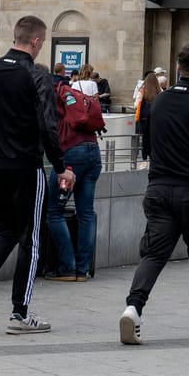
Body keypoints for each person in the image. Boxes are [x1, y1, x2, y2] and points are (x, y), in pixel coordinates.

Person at [117, 42, 189, 345]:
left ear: (178, 69)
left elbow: (152, 143)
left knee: (154, 253)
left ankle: (133, 307)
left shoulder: (160, 101)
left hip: (158, 188)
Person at [0, 15, 74, 335]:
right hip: (27, 164)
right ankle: (19, 313)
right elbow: (47, 126)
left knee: (5, 231)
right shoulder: (36, 75)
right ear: (37, 42)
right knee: (32, 239)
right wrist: (61, 165)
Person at [58, 76, 106, 277]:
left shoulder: (60, 99)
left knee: (54, 210)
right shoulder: (83, 102)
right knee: (86, 212)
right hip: (93, 152)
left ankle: (68, 267)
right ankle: (83, 268)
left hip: (72, 155)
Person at [133, 71, 162, 161]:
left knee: (145, 138)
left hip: (144, 118)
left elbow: (136, 104)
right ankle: (155, 156)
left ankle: (144, 157)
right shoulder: (160, 91)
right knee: (156, 137)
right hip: (156, 117)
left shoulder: (142, 90)